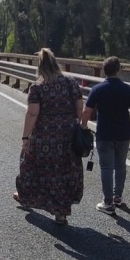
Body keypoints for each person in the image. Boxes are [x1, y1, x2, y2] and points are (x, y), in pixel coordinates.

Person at [14, 48, 84, 225]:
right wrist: (75, 125)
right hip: (68, 135)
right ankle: (61, 213)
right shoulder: (71, 82)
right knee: (64, 171)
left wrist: (25, 138)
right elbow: (79, 107)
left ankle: (26, 196)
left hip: (44, 136)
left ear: (40, 66)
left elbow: (32, 114)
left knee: (32, 165)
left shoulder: (37, 86)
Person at [81, 56, 130, 215]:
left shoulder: (97, 89)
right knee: (120, 165)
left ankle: (108, 202)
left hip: (105, 134)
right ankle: (118, 196)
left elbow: (87, 111)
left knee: (107, 167)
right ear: (119, 70)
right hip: (123, 134)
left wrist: (83, 126)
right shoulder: (128, 89)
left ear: (104, 71)